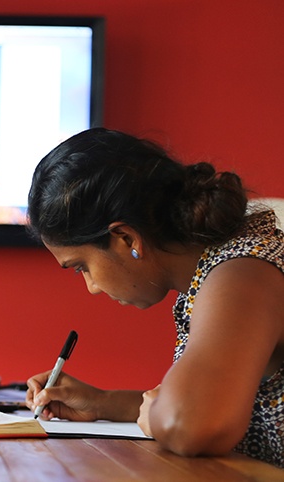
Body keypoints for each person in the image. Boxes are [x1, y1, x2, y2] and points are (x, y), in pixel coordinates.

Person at [24, 127, 284, 467]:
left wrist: (169, 413)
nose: (91, 286)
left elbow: (191, 425)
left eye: (81, 267)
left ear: (126, 239)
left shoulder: (242, 271)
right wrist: (104, 403)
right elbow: (208, 410)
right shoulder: (219, 268)